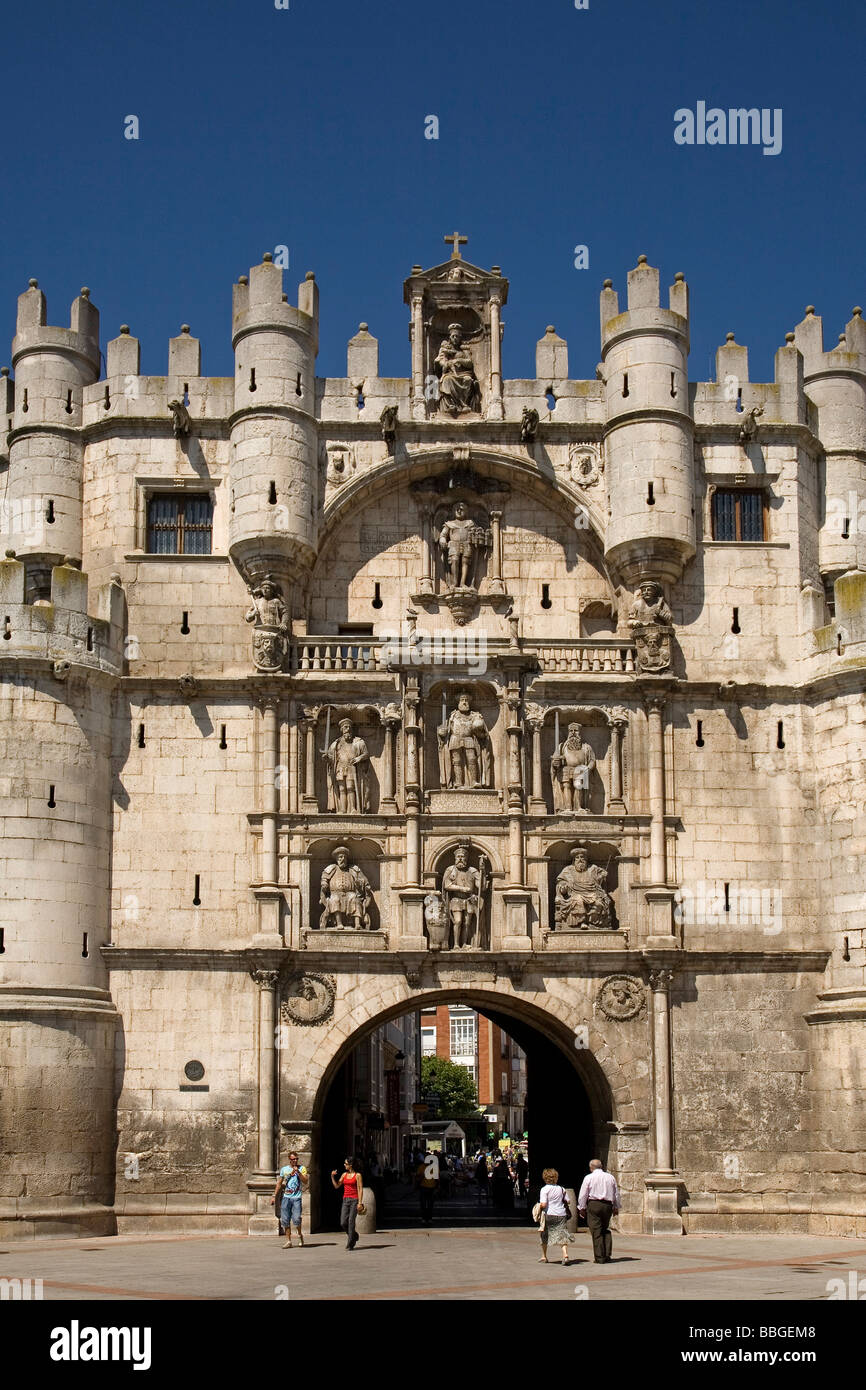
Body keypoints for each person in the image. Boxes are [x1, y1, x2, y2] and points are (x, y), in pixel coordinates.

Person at [578, 1158, 620, 1264]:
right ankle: (607, 1254)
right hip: (607, 1205)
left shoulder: (589, 1177)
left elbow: (583, 1194)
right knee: (605, 1228)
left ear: (591, 1167)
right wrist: (616, 1206)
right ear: (601, 1166)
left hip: (594, 1204)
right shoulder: (610, 1177)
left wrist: (582, 1207)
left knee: (596, 1230)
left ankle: (600, 1257)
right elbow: (616, 1193)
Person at [538, 1166, 574, 1265]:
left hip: (549, 1214)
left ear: (545, 1178)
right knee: (562, 1234)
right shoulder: (561, 1189)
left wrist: (538, 1206)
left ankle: (544, 1256)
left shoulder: (544, 1189)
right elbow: (568, 1201)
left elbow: (544, 1204)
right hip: (561, 1214)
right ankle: (565, 1255)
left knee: (544, 1234)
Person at [272, 1151, 309, 1248]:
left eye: (296, 1159)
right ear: (290, 1160)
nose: (295, 1161)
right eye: (293, 1159)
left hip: (296, 1197)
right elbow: (279, 1184)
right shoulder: (284, 1169)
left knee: (296, 1219)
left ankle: (300, 1235)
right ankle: (289, 1241)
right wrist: (274, 1196)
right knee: (285, 1219)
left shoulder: (302, 1168)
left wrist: (298, 1172)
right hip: (286, 1197)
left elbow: (305, 1181)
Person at [331, 1156, 363, 1250]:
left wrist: (360, 1203)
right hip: (345, 1200)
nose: (344, 1165)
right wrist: (332, 1176)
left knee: (351, 1221)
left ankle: (350, 1243)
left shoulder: (358, 1175)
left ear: (351, 1165)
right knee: (343, 1222)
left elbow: (360, 1189)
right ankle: (354, 1235)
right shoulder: (344, 1175)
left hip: (354, 1200)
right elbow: (337, 1186)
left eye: (346, 1164)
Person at [415, 1151, 440, 1224]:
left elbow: (437, 1179)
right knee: (423, 1204)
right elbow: (417, 1177)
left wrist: (437, 1187)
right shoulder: (421, 1167)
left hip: (431, 1188)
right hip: (423, 1187)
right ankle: (424, 1218)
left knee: (430, 1204)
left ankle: (429, 1218)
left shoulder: (434, 1167)